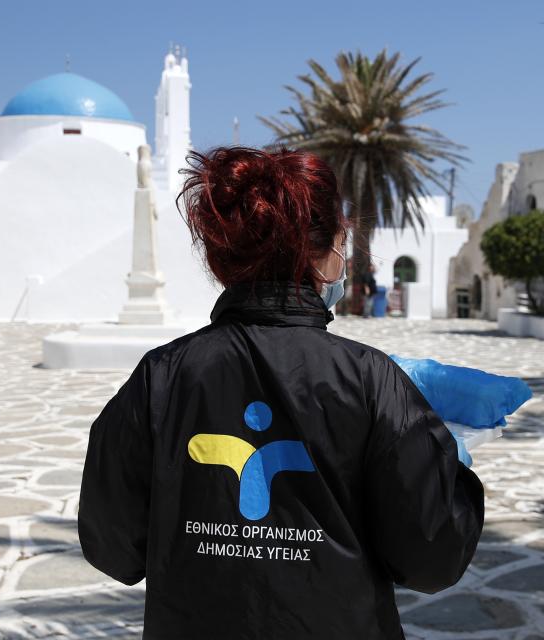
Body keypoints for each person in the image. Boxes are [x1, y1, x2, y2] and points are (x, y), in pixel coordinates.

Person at [77, 146, 484, 639]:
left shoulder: (159, 377)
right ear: (332, 250)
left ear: (221, 256)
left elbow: (113, 547)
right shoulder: (371, 380)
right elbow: (432, 557)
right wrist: (450, 468)